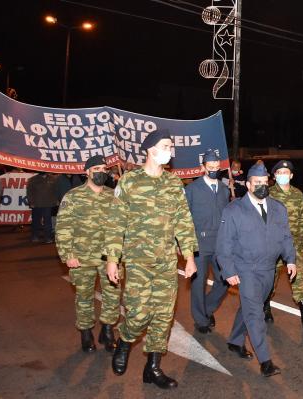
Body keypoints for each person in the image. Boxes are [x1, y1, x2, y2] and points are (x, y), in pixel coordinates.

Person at [105, 131, 198, 389]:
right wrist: (112, 259)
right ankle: (124, 341)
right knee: (137, 314)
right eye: (166, 145)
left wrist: (189, 256)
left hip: (167, 262)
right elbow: (115, 223)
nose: (171, 150)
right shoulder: (130, 182)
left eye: (171, 146)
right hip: (137, 262)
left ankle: (153, 368)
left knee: (163, 316)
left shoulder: (173, 183)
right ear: (150, 150)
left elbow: (183, 222)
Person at [216, 162, 297, 377]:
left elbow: (286, 237)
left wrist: (290, 259)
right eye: (257, 183)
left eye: (264, 182)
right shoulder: (234, 210)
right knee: (255, 313)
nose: (262, 185)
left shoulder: (278, 208)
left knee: (250, 306)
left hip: (269, 269)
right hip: (246, 269)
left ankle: (234, 340)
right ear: (249, 185)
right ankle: (265, 360)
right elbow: (224, 244)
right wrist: (229, 270)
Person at [55, 156, 119, 353]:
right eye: (96, 168)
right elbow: (63, 227)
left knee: (112, 294)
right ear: (87, 172)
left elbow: (120, 226)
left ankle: (107, 329)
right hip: (81, 257)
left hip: (109, 257)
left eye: (103, 168)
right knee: (84, 295)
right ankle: (86, 331)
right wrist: (68, 254)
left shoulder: (114, 195)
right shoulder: (73, 196)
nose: (101, 171)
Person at [267, 160, 303, 327]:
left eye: (286, 173)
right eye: (280, 173)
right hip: (274, 245)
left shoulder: (298, 194)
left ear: (291, 175)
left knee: (298, 276)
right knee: (271, 277)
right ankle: (265, 308)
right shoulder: (268, 194)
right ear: (275, 176)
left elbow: (302, 219)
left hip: (294, 244)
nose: (283, 175)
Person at [184, 149, 230, 334]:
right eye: (210, 167)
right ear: (202, 167)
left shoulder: (225, 189)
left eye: (216, 167)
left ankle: (207, 309)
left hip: (220, 244)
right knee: (198, 283)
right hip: (199, 245)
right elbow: (184, 219)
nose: (214, 170)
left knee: (225, 280)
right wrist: (185, 246)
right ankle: (201, 320)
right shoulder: (192, 190)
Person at [26, 173, 59, 243]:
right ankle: (35, 236)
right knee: (36, 221)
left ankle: (48, 237)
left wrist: (56, 201)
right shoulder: (32, 179)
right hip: (36, 204)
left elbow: (56, 191)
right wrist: (31, 202)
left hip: (48, 204)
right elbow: (29, 192)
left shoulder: (53, 178)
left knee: (48, 222)